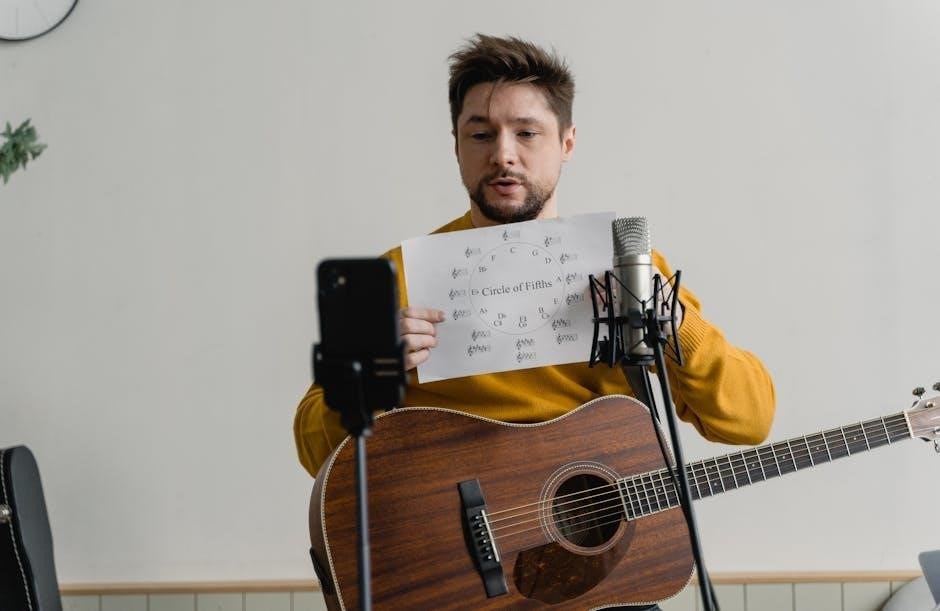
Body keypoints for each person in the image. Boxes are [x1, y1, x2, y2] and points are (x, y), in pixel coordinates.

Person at [294, 34, 776, 611]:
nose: (503, 155)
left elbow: (750, 421)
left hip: (606, 581)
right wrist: (371, 376)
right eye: (481, 134)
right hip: (458, 591)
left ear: (566, 142)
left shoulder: (628, 269)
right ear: (456, 146)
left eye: (527, 133)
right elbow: (315, 452)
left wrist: (675, 327)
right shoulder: (395, 278)